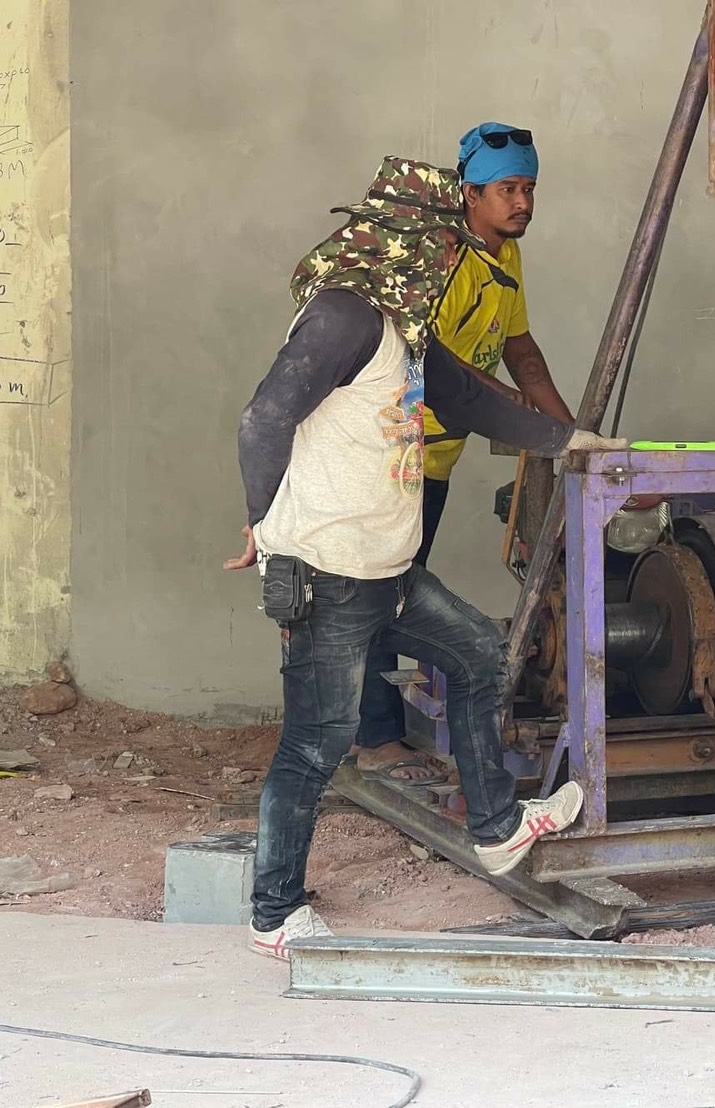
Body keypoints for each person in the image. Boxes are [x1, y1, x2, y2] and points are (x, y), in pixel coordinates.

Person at [226, 157, 621, 959]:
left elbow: (469, 399)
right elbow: (262, 420)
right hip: (327, 570)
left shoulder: (402, 326)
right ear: (403, 241)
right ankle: (274, 916)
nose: (450, 264)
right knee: (316, 742)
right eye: (444, 248)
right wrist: (264, 525)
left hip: (386, 568)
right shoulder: (342, 317)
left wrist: (575, 444)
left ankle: (497, 829)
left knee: (477, 654)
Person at [351, 121, 574, 786]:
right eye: (508, 189)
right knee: (377, 593)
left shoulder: (505, 258)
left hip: (435, 461)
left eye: (529, 188)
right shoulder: (444, 260)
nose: (522, 202)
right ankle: (374, 738)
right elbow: (432, 362)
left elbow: (521, 352)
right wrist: (510, 409)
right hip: (391, 457)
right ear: (470, 195)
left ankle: (371, 730)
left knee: (399, 587)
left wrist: (576, 438)